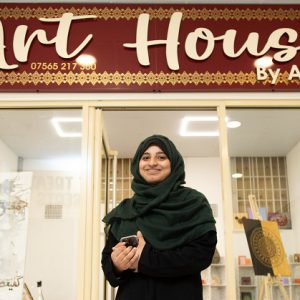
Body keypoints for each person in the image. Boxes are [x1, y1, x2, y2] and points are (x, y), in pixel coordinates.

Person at [101, 134, 217, 300]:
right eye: (145, 157)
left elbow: (202, 255)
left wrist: (146, 258)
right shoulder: (126, 210)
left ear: (174, 163)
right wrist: (117, 265)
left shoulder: (193, 203)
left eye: (161, 157)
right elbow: (108, 260)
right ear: (137, 164)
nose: (152, 163)